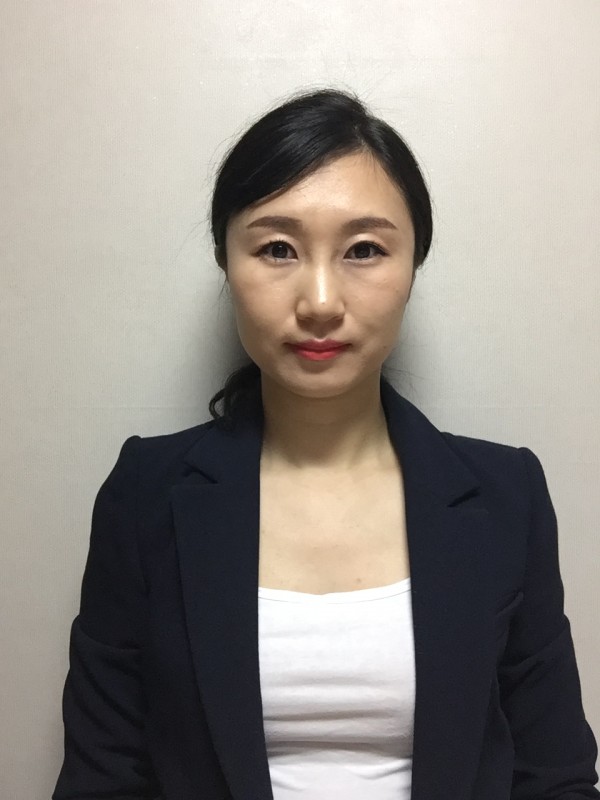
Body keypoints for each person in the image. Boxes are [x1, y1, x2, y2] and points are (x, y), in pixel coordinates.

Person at [52, 87, 599, 800]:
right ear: (226, 262)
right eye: (277, 248)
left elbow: (555, 777)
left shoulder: (506, 496)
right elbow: (102, 777)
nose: (318, 301)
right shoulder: (144, 495)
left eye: (364, 250)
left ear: (413, 266)